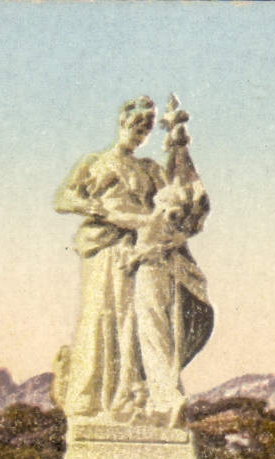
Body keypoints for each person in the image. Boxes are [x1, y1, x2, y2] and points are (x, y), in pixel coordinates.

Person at [52, 96, 214, 427]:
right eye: (135, 126)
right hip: (105, 249)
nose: (139, 134)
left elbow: (175, 198)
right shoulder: (94, 162)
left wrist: (179, 147)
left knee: (133, 323)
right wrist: (93, 208)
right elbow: (63, 198)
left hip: (139, 249)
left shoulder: (149, 168)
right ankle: (92, 402)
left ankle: (128, 398)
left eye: (146, 129)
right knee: (102, 316)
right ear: (122, 123)